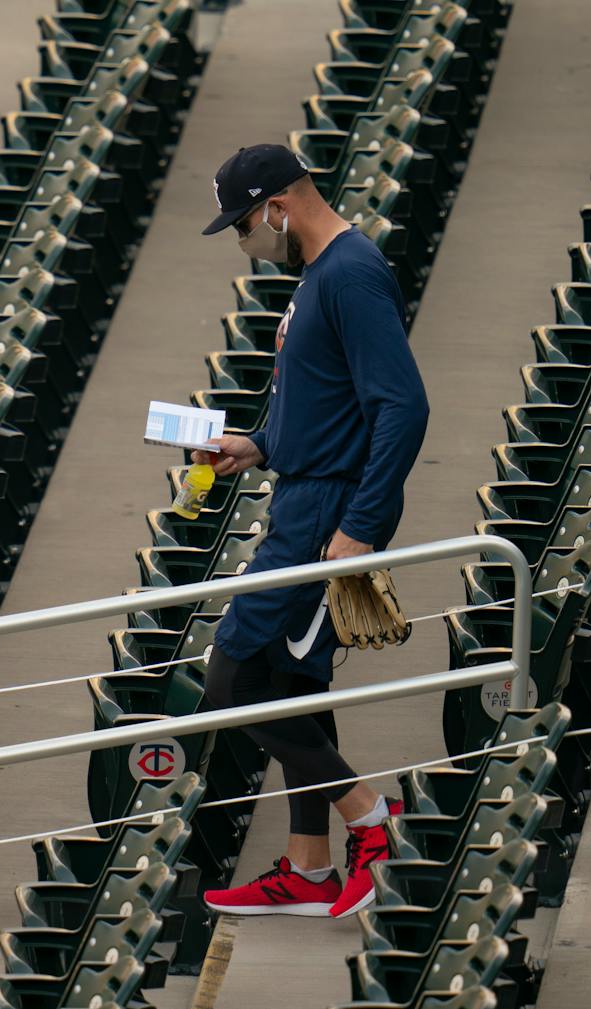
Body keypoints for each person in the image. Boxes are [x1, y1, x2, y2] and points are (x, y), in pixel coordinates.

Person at [195, 144, 429, 919]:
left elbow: (402, 406)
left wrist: (358, 528)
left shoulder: (350, 273)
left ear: (279, 207)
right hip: (307, 495)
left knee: (234, 682)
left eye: (243, 224)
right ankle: (309, 866)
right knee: (293, 683)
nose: (243, 241)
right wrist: (258, 444)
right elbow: (325, 401)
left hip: (328, 514)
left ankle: (369, 819)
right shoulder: (322, 275)